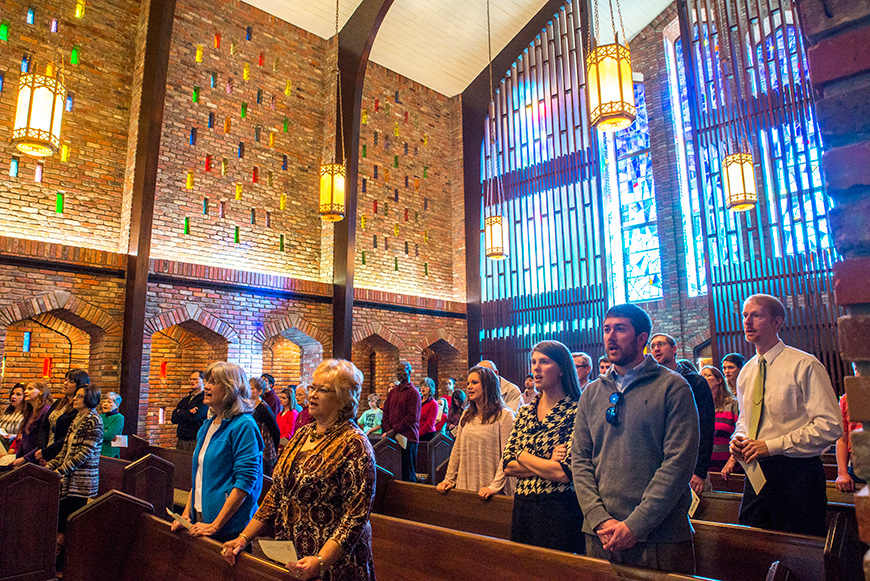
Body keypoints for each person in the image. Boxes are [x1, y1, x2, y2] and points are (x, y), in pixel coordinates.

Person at [221, 359, 376, 580]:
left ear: (344, 400)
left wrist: (321, 561)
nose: (312, 394)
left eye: (322, 390)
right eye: (312, 387)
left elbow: (356, 515)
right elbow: (276, 494)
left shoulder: (355, 444)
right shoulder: (303, 434)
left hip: (335, 565)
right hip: (293, 556)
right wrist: (243, 537)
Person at [573, 303, 699, 574]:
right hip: (600, 535)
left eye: (620, 329)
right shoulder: (592, 393)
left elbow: (678, 463)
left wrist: (636, 525)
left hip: (658, 536)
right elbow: (580, 460)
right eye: (607, 329)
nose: (610, 336)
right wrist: (598, 518)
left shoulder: (673, 387)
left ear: (642, 339)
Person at [730, 294, 842, 536]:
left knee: (800, 550)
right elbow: (745, 419)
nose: (747, 322)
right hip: (757, 471)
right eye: (744, 316)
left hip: (798, 474)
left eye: (756, 315)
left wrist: (772, 445)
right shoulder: (746, 372)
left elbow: (830, 425)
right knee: (752, 544)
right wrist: (738, 439)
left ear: (777, 322)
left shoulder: (804, 365)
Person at [503, 340, 583, 553]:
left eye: (545, 362)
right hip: (523, 505)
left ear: (562, 369)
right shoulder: (525, 412)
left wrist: (523, 455)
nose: (536, 368)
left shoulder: (576, 410)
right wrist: (547, 459)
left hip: (560, 506)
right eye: (533, 362)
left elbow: (564, 472)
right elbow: (508, 465)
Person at [171, 362, 263, 542]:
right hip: (201, 515)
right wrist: (186, 515)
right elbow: (200, 476)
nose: (206, 386)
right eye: (206, 381)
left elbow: (245, 482)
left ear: (232, 388)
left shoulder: (243, 425)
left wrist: (216, 525)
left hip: (227, 526)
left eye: (214, 382)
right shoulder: (207, 425)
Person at [649, 333, 715, 495]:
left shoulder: (695, 382)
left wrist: (699, 471)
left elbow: (705, 428)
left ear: (674, 349)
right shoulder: (650, 383)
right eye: (652, 346)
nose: (656, 349)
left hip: (690, 465)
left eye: (661, 344)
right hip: (660, 467)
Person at [46, 383, 104, 566]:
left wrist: (61, 470)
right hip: (67, 478)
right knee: (59, 521)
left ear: (89, 399)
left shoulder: (94, 420)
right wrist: (50, 466)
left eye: (79, 396)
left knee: (67, 524)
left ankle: (63, 565)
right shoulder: (78, 418)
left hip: (81, 481)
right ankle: (53, 563)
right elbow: (66, 449)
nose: (75, 399)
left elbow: (84, 453)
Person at [437, 366, 515, 499]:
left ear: (488, 385)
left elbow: (507, 457)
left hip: (491, 489)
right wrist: (449, 479)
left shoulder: (504, 415)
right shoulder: (467, 414)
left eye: (474, 382)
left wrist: (494, 487)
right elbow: (457, 449)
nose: (469, 387)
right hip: (466, 484)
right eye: (468, 383)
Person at [382, 361, 421, 482]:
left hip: (407, 438)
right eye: (397, 370)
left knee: (407, 473)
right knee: (394, 472)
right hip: (393, 436)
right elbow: (386, 411)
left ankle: (411, 499)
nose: (399, 373)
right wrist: (388, 429)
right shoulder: (393, 392)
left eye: (402, 370)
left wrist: (394, 430)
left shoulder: (413, 392)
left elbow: (412, 417)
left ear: (409, 372)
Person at [700, 366, 739, 475]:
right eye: (701, 376)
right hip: (704, 471)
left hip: (729, 470)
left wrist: (732, 460)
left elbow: (741, 434)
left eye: (708, 375)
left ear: (719, 380)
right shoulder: (699, 406)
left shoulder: (732, 405)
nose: (704, 379)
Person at [836, 368, 865, 492]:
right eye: (857, 369)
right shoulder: (846, 399)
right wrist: (842, 472)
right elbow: (842, 439)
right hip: (858, 468)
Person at [11, 381, 53, 465]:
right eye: (26, 389)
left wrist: (24, 459)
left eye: (30, 389)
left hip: (36, 460)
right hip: (26, 459)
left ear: (41, 391)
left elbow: (43, 442)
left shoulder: (45, 411)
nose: (25, 391)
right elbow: (25, 439)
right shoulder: (30, 411)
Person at [250, 377, 281, 477]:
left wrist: (274, 451)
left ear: (259, 391)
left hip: (264, 447)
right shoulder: (248, 405)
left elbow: (275, 430)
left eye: (251, 389)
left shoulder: (264, 407)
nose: (248, 391)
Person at [171, 371, 208, 451]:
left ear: (203, 381)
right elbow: (174, 418)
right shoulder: (185, 400)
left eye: (195, 379)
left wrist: (180, 412)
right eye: (190, 379)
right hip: (181, 439)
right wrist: (188, 412)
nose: (191, 381)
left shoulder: (205, 400)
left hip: (195, 440)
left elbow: (195, 416)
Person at [0, 383, 26, 451]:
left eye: (18, 394)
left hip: (14, 450)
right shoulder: (7, 412)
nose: (13, 397)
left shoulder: (27, 415)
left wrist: (13, 436)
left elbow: (27, 437)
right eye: (12, 393)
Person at [99, 391, 125, 458]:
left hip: (110, 453)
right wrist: (104, 430)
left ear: (116, 405)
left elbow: (108, 435)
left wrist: (100, 432)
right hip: (99, 450)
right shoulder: (101, 417)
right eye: (104, 402)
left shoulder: (119, 417)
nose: (105, 404)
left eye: (109, 402)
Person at [419, 377, 439, 441]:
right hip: (417, 433)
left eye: (425, 386)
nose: (423, 388)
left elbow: (429, 424)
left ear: (430, 388)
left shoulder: (433, 403)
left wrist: (417, 433)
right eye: (421, 386)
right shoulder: (418, 400)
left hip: (428, 434)